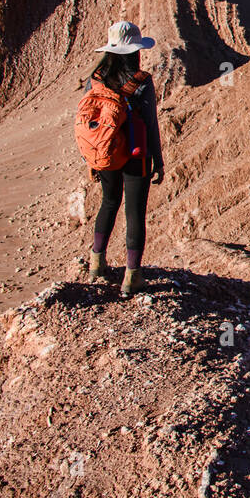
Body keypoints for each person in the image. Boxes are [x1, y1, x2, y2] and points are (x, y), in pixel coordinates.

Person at [85, 21, 164, 297]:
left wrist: (93, 160)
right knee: (134, 212)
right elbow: (151, 124)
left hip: (104, 154)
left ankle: (97, 261)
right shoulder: (141, 82)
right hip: (135, 155)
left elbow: (91, 123)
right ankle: (132, 276)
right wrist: (159, 160)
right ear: (135, 51)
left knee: (108, 202)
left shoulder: (95, 78)